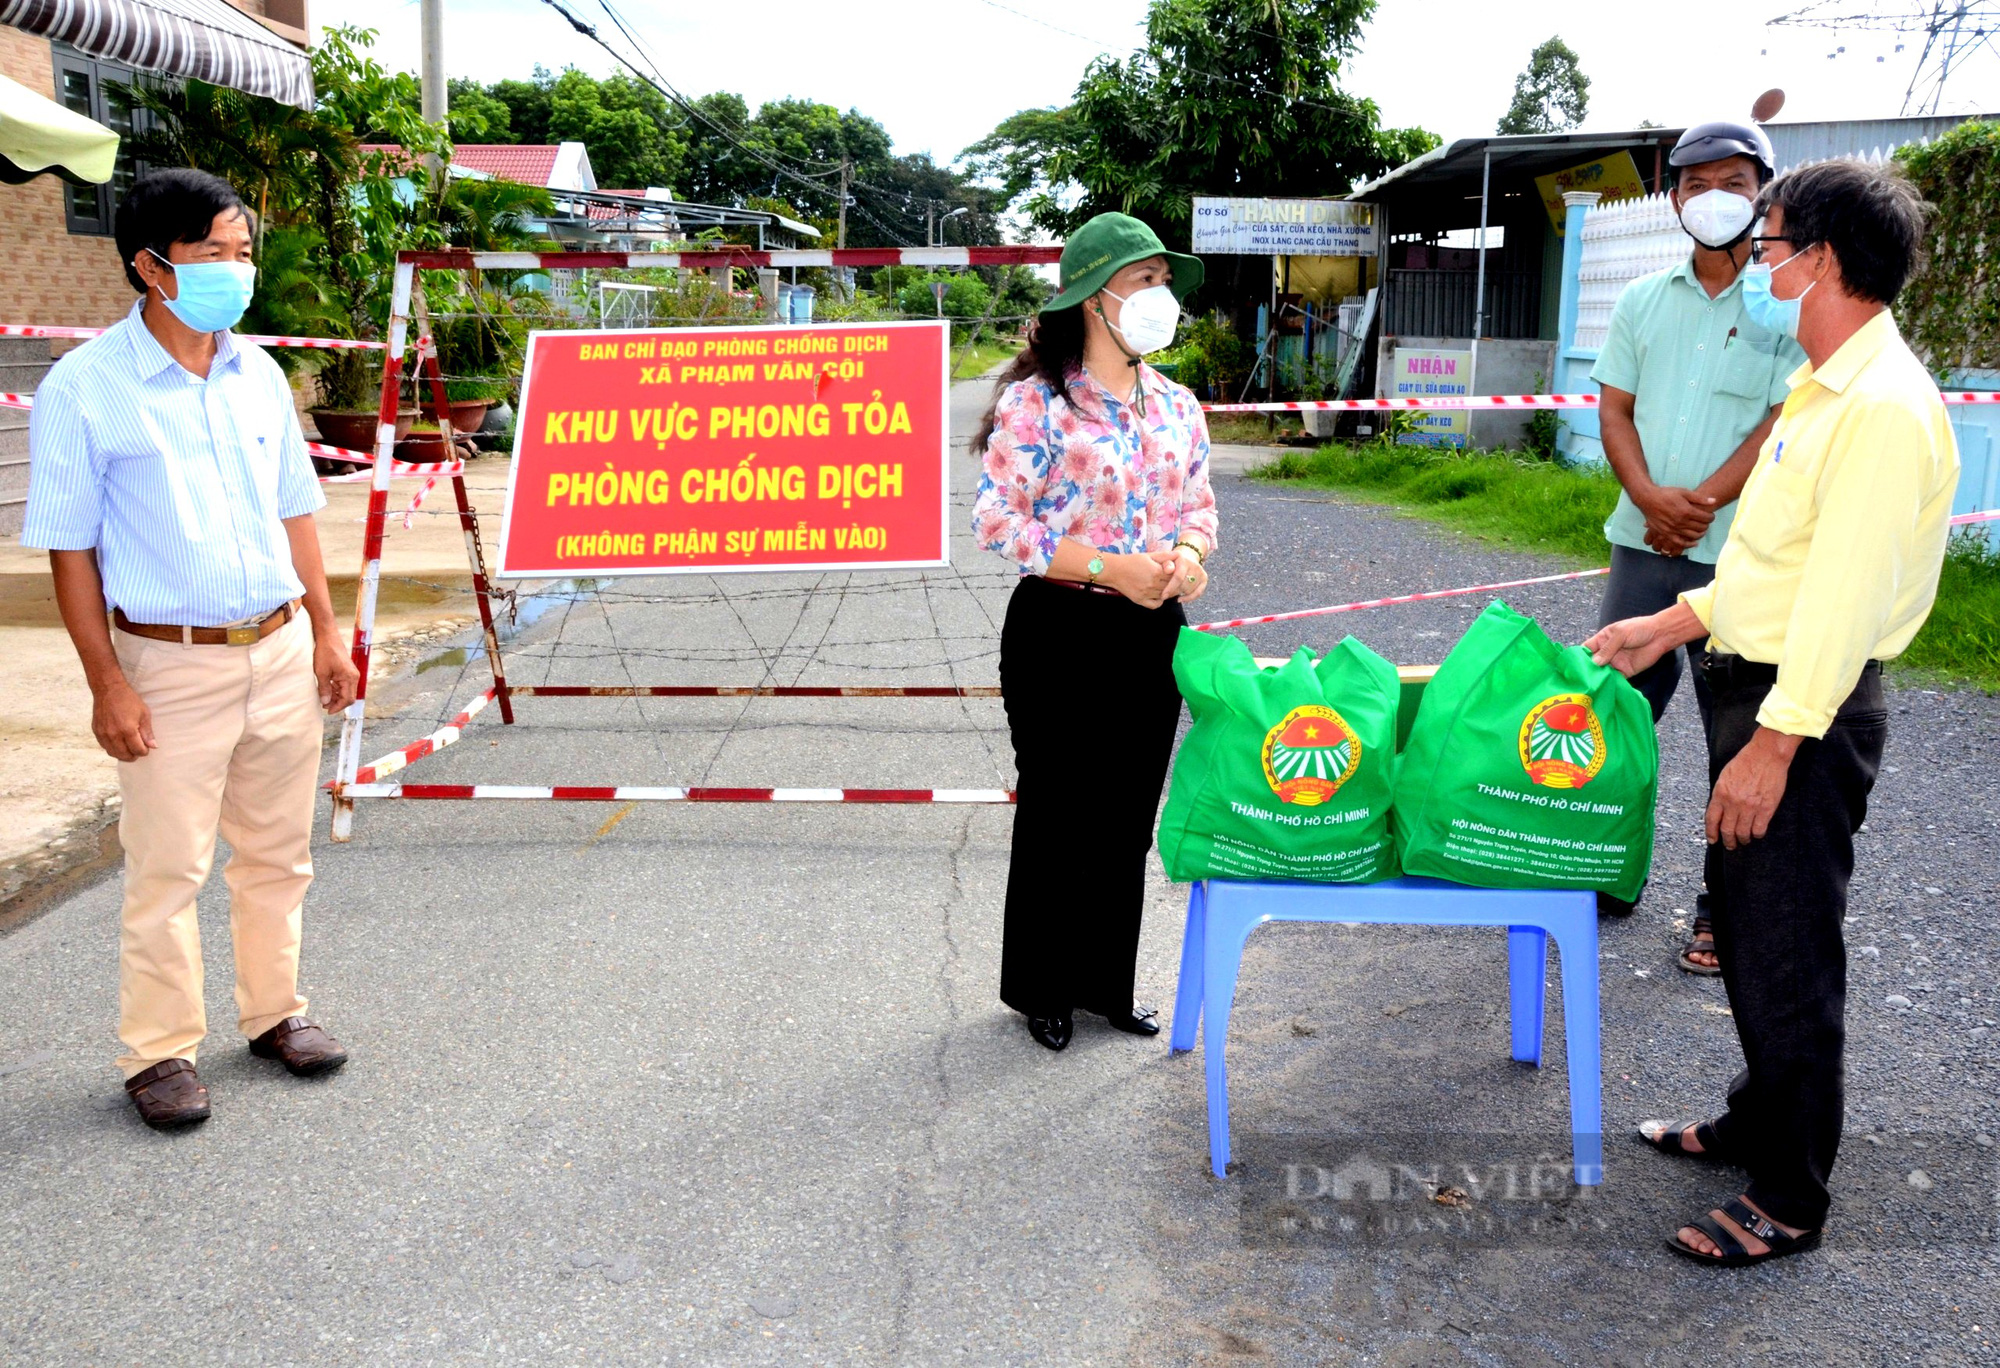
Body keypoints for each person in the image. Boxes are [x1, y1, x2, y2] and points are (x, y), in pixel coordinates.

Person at [1587, 158, 1956, 1266]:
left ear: (1822, 260)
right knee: (1749, 931)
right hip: (1753, 682)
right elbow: (1773, 570)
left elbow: (1839, 605)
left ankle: (1788, 1198)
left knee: (1787, 948)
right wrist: (1668, 624)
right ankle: (1755, 1120)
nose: (1758, 264)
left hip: (1802, 707)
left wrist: (1773, 747)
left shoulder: (1880, 408)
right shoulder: (1821, 383)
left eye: (1770, 246)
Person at [22, 169, 359, 1129]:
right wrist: (107, 685)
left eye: (242, 252)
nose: (235, 271)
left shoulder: (256, 373)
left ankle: (275, 1013)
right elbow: (71, 551)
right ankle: (159, 1053)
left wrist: (327, 636)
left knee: (276, 855)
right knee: (168, 869)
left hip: (280, 647)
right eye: (214, 253)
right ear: (151, 266)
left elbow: (296, 513)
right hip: (168, 664)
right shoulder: (86, 389)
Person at [971, 212, 1218, 1052]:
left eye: (1164, 280)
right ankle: (1042, 988)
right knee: (1057, 809)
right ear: (1093, 298)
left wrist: (1185, 555)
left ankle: (1105, 987)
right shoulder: (1037, 405)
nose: (1162, 297)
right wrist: (1111, 569)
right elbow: (998, 522)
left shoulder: (1179, 406)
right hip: (1059, 629)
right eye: (1144, 280)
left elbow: (1199, 509)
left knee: (1125, 814)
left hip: (1151, 632)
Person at [1589, 120, 1807, 963]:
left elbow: (1788, 417)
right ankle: (1605, 866)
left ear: (1764, 194)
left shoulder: (1786, 302)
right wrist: (1648, 497)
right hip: (1642, 543)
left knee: (1738, 732)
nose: (1716, 199)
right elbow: (1613, 410)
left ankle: (1723, 907)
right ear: (1676, 198)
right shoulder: (1643, 299)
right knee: (1616, 715)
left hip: (1743, 553)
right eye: (1697, 184)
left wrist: (1707, 501)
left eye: (1736, 184)